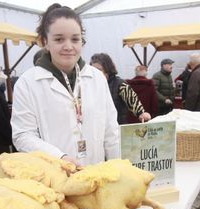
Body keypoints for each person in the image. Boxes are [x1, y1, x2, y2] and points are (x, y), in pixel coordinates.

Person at [11, 3, 119, 167]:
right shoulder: (27, 83)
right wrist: (59, 157)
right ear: (46, 41)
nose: (68, 46)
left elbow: (111, 131)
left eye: (75, 39)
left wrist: (118, 168)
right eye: (59, 39)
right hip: (55, 176)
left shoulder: (96, 78)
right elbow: (23, 135)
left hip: (95, 174)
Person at [90, 53, 151, 124]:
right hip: (97, 126)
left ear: (107, 69)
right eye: (92, 70)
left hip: (117, 126)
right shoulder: (89, 84)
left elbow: (132, 100)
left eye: (99, 70)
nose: (95, 73)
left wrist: (141, 113)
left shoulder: (120, 84)